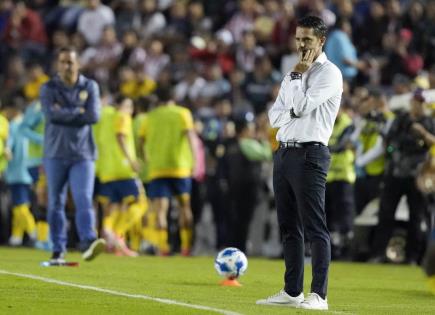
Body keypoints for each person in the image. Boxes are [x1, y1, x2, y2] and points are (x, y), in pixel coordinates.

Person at [256, 16, 343, 310]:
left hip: (310, 153)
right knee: (289, 227)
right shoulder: (294, 73)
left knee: (315, 226)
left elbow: (301, 107)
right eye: (298, 39)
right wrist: (294, 87)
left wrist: (296, 79)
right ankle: (292, 291)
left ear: (321, 41)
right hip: (284, 153)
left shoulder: (329, 74)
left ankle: (319, 295)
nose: (301, 45)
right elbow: (275, 116)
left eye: (307, 39)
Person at [39, 46, 105, 263]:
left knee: (83, 197)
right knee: (55, 202)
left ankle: (88, 241)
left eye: (70, 62)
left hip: (83, 154)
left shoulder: (90, 86)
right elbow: (51, 115)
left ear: (78, 64)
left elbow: (94, 116)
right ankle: (58, 248)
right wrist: (78, 112)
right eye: (63, 62)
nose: (66, 66)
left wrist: (64, 112)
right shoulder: (48, 87)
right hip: (55, 153)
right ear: (58, 64)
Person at [138, 87, 196, 256]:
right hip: (180, 168)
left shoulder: (150, 117)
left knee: (160, 210)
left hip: (157, 169)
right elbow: (191, 137)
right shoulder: (183, 113)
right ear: (174, 98)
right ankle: (186, 247)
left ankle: (163, 248)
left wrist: (146, 158)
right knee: (185, 207)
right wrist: (195, 161)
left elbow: (140, 142)